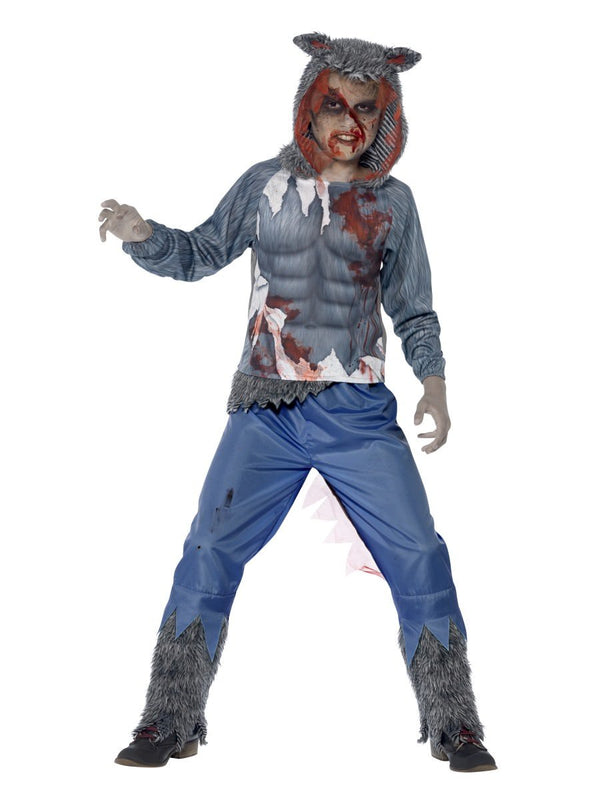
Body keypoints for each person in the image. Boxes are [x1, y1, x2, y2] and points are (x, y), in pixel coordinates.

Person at [99, 32, 497, 773]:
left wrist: (435, 382)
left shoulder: (393, 202)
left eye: (366, 109)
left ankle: (455, 724)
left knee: (418, 553)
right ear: (308, 107)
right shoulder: (264, 185)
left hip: (358, 414)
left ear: (386, 117)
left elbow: (413, 307)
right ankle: (169, 719)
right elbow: (201, 253)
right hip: (266, 414)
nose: (349, 122)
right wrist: (143, 235)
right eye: (334, 105)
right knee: (208, 549)